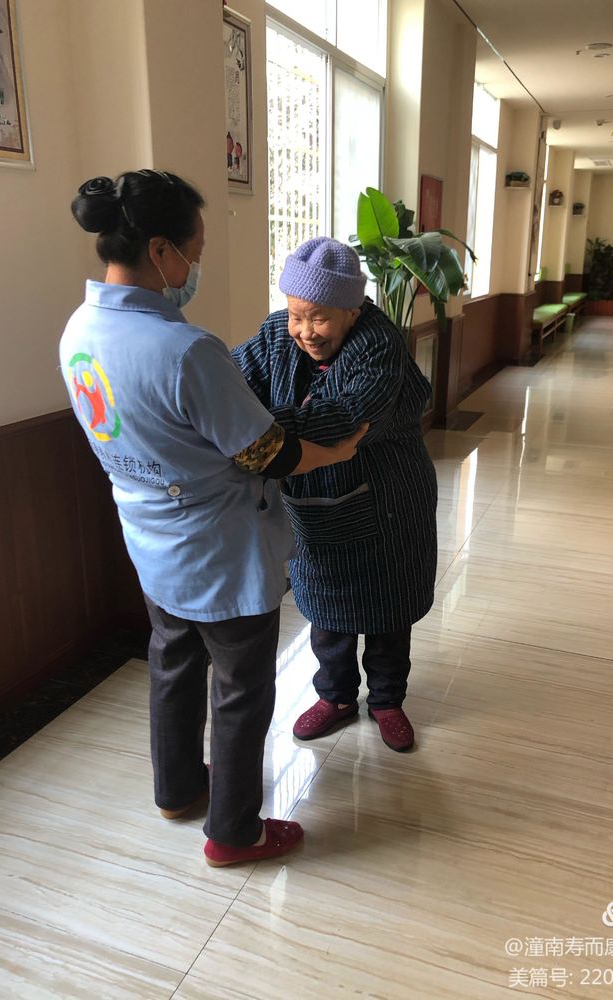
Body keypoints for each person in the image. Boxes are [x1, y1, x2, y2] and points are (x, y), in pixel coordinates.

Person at [60, 171, 366, 867]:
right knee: (240, 690)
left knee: (171, 660)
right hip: (220, 549)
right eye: (193, 253)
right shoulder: (185, 350)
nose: (194, 268)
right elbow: (267, 452)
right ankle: (234, 832)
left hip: (150, 537)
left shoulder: (79, 330)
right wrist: (337, 450)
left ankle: (176, 789)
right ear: (160, 250)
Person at [232, 237, 438, 752]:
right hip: (315, 504)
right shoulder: (277, 334)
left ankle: (387, 700)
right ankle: (336, 696)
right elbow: (232, 381)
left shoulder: (379, 345)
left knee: (388, 613)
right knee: (326, 611)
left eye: (319, 318)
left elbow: (343, 419)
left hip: (390, 502)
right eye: (296, 315)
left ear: (352, 310)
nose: (304, 330)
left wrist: (252, 432)